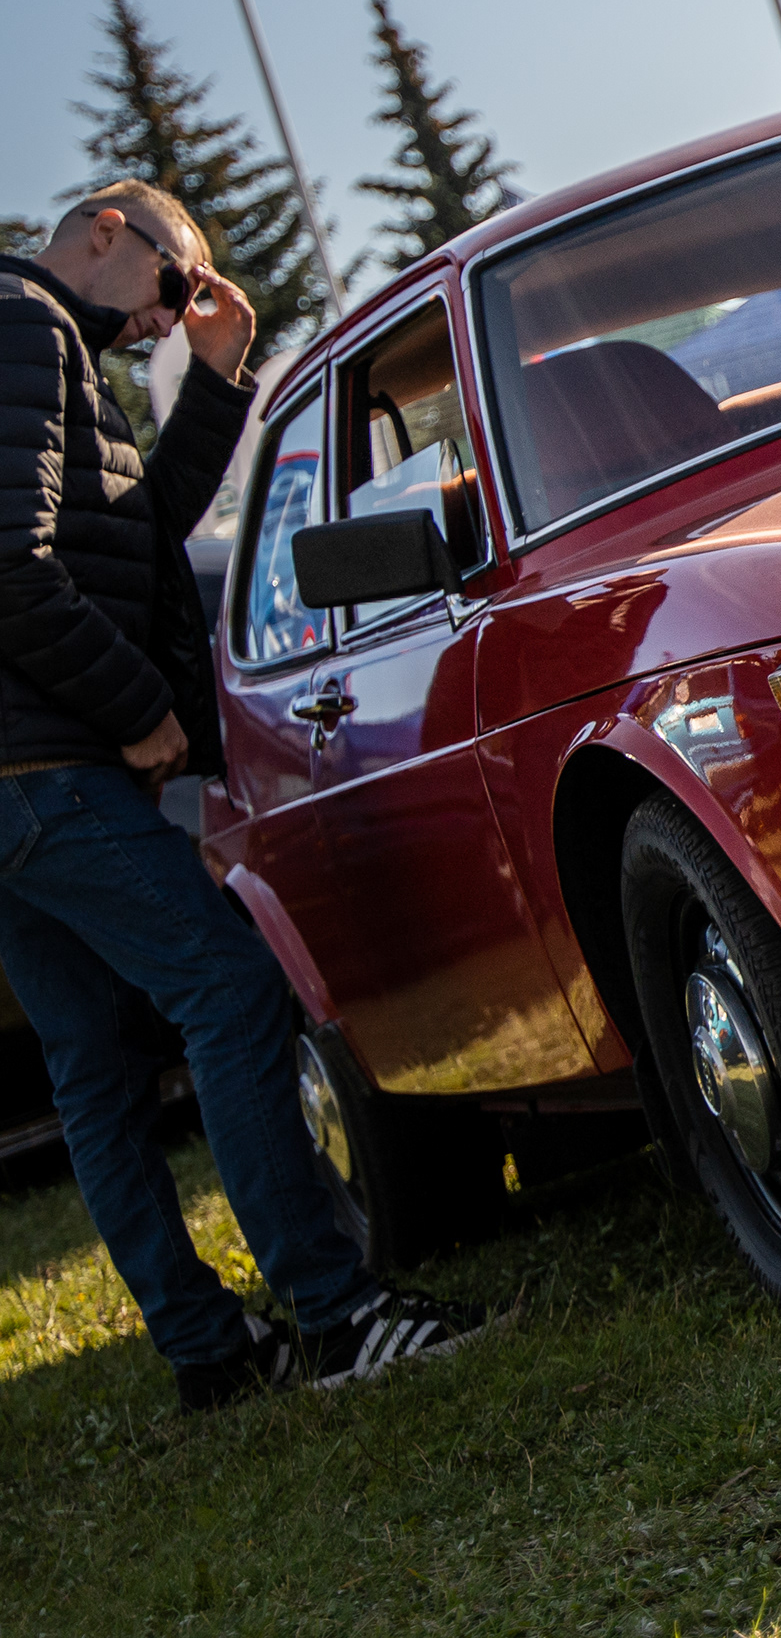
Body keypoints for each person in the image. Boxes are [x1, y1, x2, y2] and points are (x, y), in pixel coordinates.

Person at [0, 182, 488, 1408]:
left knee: (92, 1067)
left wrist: (215, 375)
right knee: (228, 986)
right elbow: (9, 567)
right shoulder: (23, 319)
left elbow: (136, 535)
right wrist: (139, 710)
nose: (170, 316)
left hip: (21, 783)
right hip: (42, 767)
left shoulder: (55, 345)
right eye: (175, 284)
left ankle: (211, 1355)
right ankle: (338, 1311)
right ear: (105, 231)